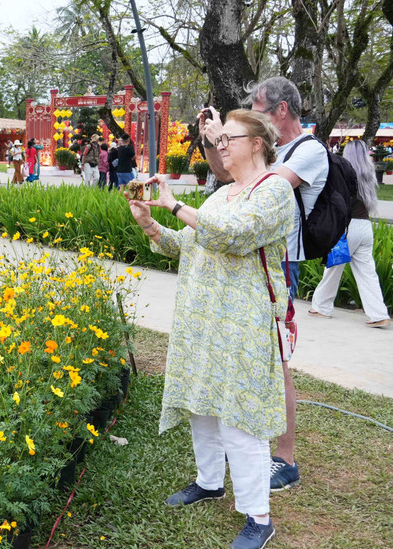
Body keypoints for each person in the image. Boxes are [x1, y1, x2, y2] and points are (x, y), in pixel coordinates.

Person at [129, 110, 294, 549]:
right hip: (202, 320)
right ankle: (209, 481)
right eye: (218, 141)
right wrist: (148, 220)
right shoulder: (222, 194)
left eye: (228, 139)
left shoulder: (274, 190)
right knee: (202, 404)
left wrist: (175, 204)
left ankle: (259, 517)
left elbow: (234, 236)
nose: (220, 146)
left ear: (257, 142)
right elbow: (185, 244)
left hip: (243, 322)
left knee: (240, 418)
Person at [200, 77, 325, 492]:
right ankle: (237, 461)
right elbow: (231, 178)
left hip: (276, 268)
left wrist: (230, 137)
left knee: (277, 361)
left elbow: (262, 188)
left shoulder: (309, 151)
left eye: (256, 108)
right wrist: (216, 144)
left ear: (281, 110)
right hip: (242, 262)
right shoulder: (266, 151)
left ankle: (284, 458)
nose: (252, 114)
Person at [309, 140, 390, 327]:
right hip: (365, 228)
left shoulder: (343, 173)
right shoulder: (369, 176)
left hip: (347, 228)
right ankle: (379, 314)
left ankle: (321, 307)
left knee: (332, 268)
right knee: (367, 274)